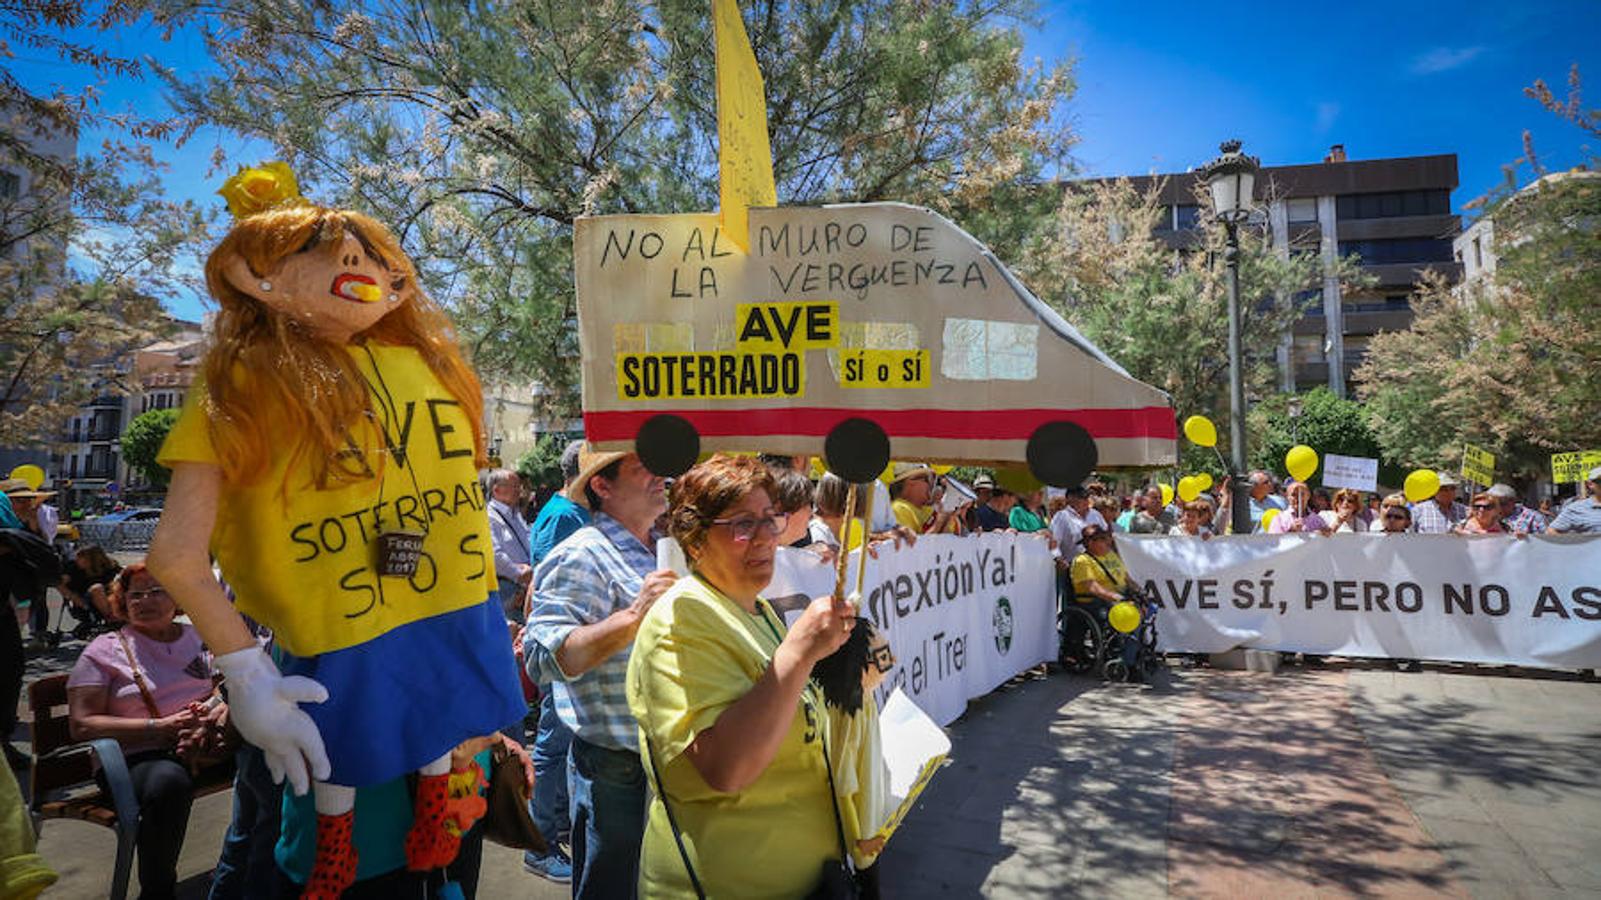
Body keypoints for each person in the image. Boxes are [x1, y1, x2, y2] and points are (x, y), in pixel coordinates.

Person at [147, 178, 525, 895]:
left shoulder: (426, 373)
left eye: (379, 261)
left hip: (447, 632)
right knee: (331, 832)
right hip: (337, 649)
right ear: (257, 276)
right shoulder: (243, 384)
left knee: (424, 837)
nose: (369, 273)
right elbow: (173, 555)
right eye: (336, 255)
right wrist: (246, 675)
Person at [627, 455, 858, 897]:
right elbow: (727, 768)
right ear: (695, 540)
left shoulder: (759, 610)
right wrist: (798, 651)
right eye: (742, 525)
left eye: (769, 521)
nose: (764, 539)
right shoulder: (680, 617)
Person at [523, 448, 677, 898]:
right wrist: (633, 617)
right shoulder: (583, 554)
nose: (658, 473)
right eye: (640, 466)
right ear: (602, 486)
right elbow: (542, 658)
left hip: (665, 765)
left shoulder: (663, 546)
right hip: (618, 772)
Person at [66, 563, 224, 900]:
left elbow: (225, 684)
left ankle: (256, 859)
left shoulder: (198, 636)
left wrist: (209, 711)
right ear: (122, 603)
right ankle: (157, 890)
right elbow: (81, 724)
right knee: (168, 783)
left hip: (205, 743)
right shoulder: (105, 650)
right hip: (134, 759)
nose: (144, 600)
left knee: (267, 756)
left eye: (156, 591)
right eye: (135, 594)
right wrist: (158, 727)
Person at [517, 444, 589, 884]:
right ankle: (538, 845)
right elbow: (548, 583)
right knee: (551, 745)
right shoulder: (563, 516)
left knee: (558, 744)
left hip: (572, 647)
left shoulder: (566, 512)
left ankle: (552, 830)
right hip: (563, 648)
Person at [1065, 525, 1142, 678]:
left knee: (1147, 610)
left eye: (1107, 539)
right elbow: (1093, 588)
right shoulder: (1082, 561)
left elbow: (1126, 578)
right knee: (1130, 618)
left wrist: (1139, 591)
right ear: (1091, 543)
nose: (1108, 542)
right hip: (1094, 602)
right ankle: (1129, 663)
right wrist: (1117, 598)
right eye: (1103, 540)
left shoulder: (1111, 555)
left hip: (1117, 598)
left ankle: (1136, 654)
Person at [487, 468, 535, 623]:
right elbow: (494, 554)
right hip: (508, 589)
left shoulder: (514, 514)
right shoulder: (489, 517)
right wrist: (518, 574)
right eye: (513, 486)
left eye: (518, 485)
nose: (518, 490)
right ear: (496, 490)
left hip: (522, 587)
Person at [59, 544, 122, 638]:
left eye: (80, 558)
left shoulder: (109, 566)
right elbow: (59, 584)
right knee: (97, 588)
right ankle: (111, 620)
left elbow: (124, 576)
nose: (77, 560)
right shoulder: (73, 568)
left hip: (109, 597)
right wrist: (73, 597)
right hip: (85, 600)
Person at [888, 463, 962, 535]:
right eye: (926, 479)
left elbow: (948, 539)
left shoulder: (928, 510)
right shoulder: (899, 508)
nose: (931, 484)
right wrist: (939, 522)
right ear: (910, 482)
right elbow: (910, 546)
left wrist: (950, 517)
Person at [1549, 467, 1601, 534]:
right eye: (1600, 481)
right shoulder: (1577, 508)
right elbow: (1551, 531)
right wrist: (1570, 544)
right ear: (1590, 484)